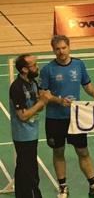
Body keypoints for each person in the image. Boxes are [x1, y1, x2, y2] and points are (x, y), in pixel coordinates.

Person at [40, 35, 94, 198]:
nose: (61, 51)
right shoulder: (47, 70)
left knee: (83, 151)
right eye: (57, 49)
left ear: (69, 47)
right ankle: (63, 186)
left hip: (76, 117)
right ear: (53, 50)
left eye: (64, 48)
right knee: (58, 152)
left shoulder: (79, 64)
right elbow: (43, 93)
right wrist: (58, 100)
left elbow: (86, 84)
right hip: (55, 118)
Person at [10, 54, 52, 198]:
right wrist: (41, 102)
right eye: (33, 65)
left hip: (32, 133)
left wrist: (54, 100)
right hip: (23, 136)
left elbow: (37, 106)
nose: (37, 67)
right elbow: (22, 116)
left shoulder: (32, 82)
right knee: (30, 173)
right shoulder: (16, 87)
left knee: (22, 169)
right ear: (24, 69)